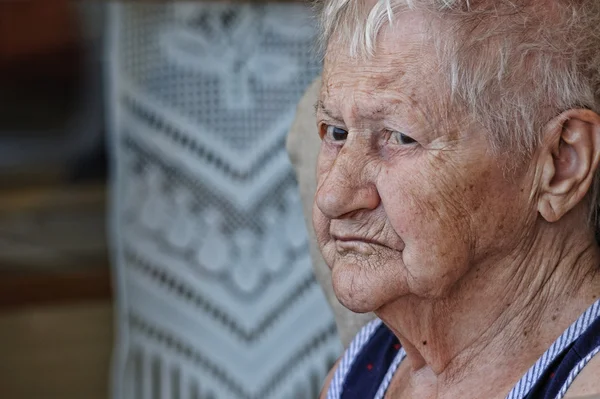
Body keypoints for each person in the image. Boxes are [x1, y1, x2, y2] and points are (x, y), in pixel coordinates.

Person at [314, 1, 600, 398]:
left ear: (560, 165)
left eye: (400, 137)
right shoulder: (366, 371)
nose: (333, 196)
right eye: (336, 132)